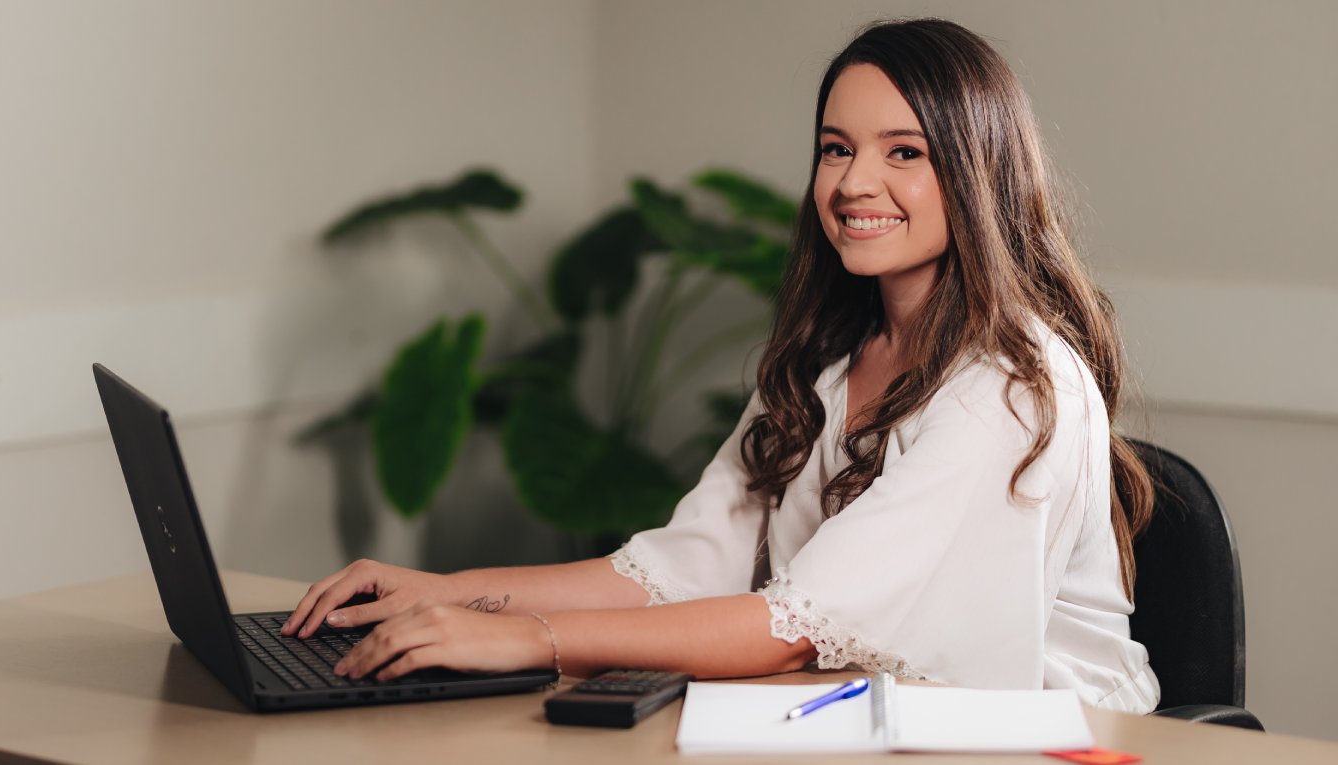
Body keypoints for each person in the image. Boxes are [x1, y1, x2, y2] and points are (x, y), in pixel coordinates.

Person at [284, 18, 1161, 713]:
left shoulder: (1008, 386)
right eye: (834, 147)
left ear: (977, 174)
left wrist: (532, 639)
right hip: (852, 718)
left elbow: (793, 624)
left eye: (904, 152)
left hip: (1049, 743)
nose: (855, 182)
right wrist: (454, 594)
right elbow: (674, 568)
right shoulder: (830, 358)